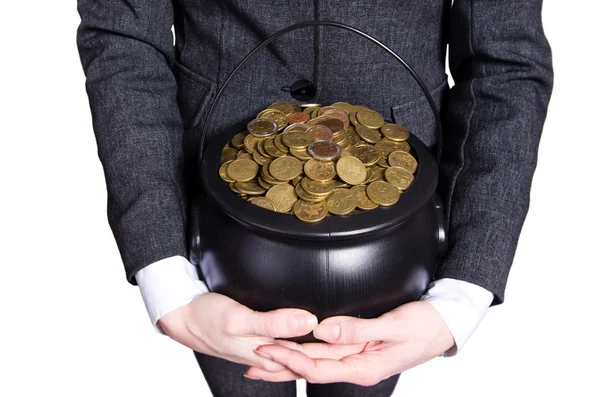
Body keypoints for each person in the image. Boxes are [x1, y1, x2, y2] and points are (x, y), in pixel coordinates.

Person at [75, 1, 553, 396]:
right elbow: (124, 36)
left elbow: (504, 63)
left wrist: (463, 292)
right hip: (217, 201)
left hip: (395, 218)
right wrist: (165, 274)